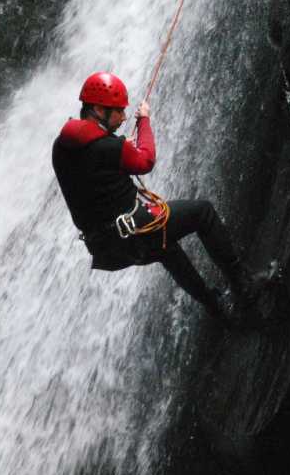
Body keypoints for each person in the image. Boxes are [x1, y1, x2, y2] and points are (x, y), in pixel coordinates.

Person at [51, 71, 276, 321]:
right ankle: (243, 285)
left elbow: (95, 172)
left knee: (166, 249)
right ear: (97, 109)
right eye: (118, 110)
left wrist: (121, 148)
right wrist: (144, 120)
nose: (124, 117)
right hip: (136, 232)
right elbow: (145, 160)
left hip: (107, 247)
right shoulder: (110, 147)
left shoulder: (60, 148)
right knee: (203, 212)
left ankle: (217, 309)